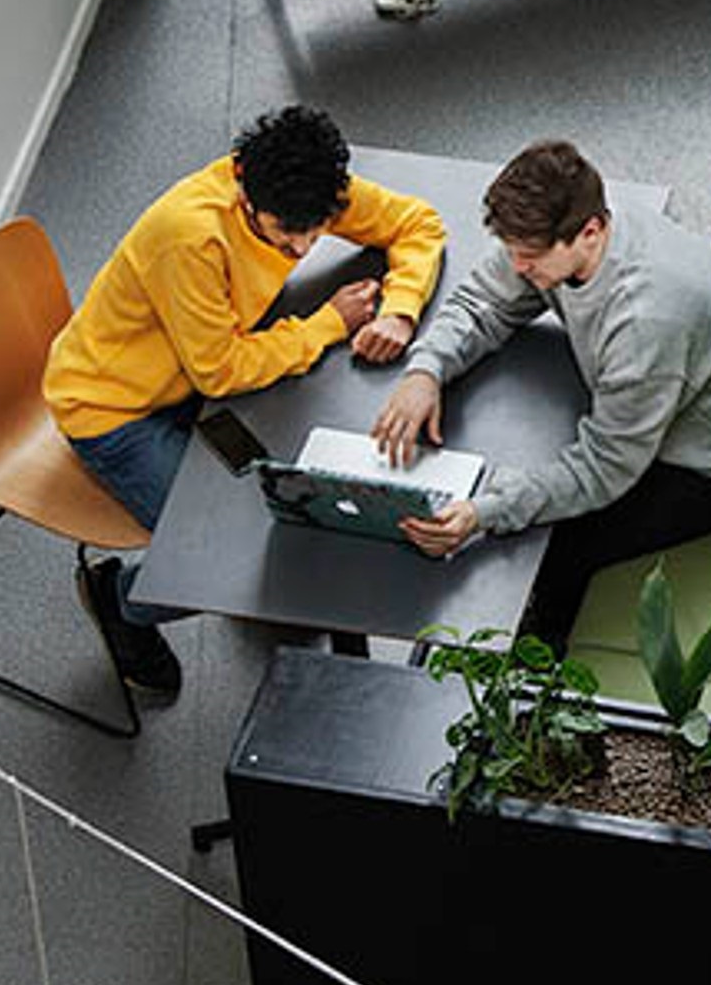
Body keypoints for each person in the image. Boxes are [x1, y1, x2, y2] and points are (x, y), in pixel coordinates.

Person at [44, 106, 446, 693]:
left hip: (190, 377)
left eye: (316, 232)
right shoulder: (189, 237)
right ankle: (120, 599)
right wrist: (326, 324)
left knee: (288, 503)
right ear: (242, 186)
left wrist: (401, 311)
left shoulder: (306, 189)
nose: (301, 247)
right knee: (222, 567)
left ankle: (280, 594)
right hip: (115, 409)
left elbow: (417, 224)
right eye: (286, 235)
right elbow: (220, 371)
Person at [372, 140, 711, 639]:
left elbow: (605, 469)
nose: (517, 267)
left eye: (529, 256)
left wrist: (484, 512)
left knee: (555, 547)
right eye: (511, 250)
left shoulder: (647, 319)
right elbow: (484, 301)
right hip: (654, 406)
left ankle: (530, 688)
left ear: (591, 231)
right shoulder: (564, 230)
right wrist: (424, 371)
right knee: (522, 491)